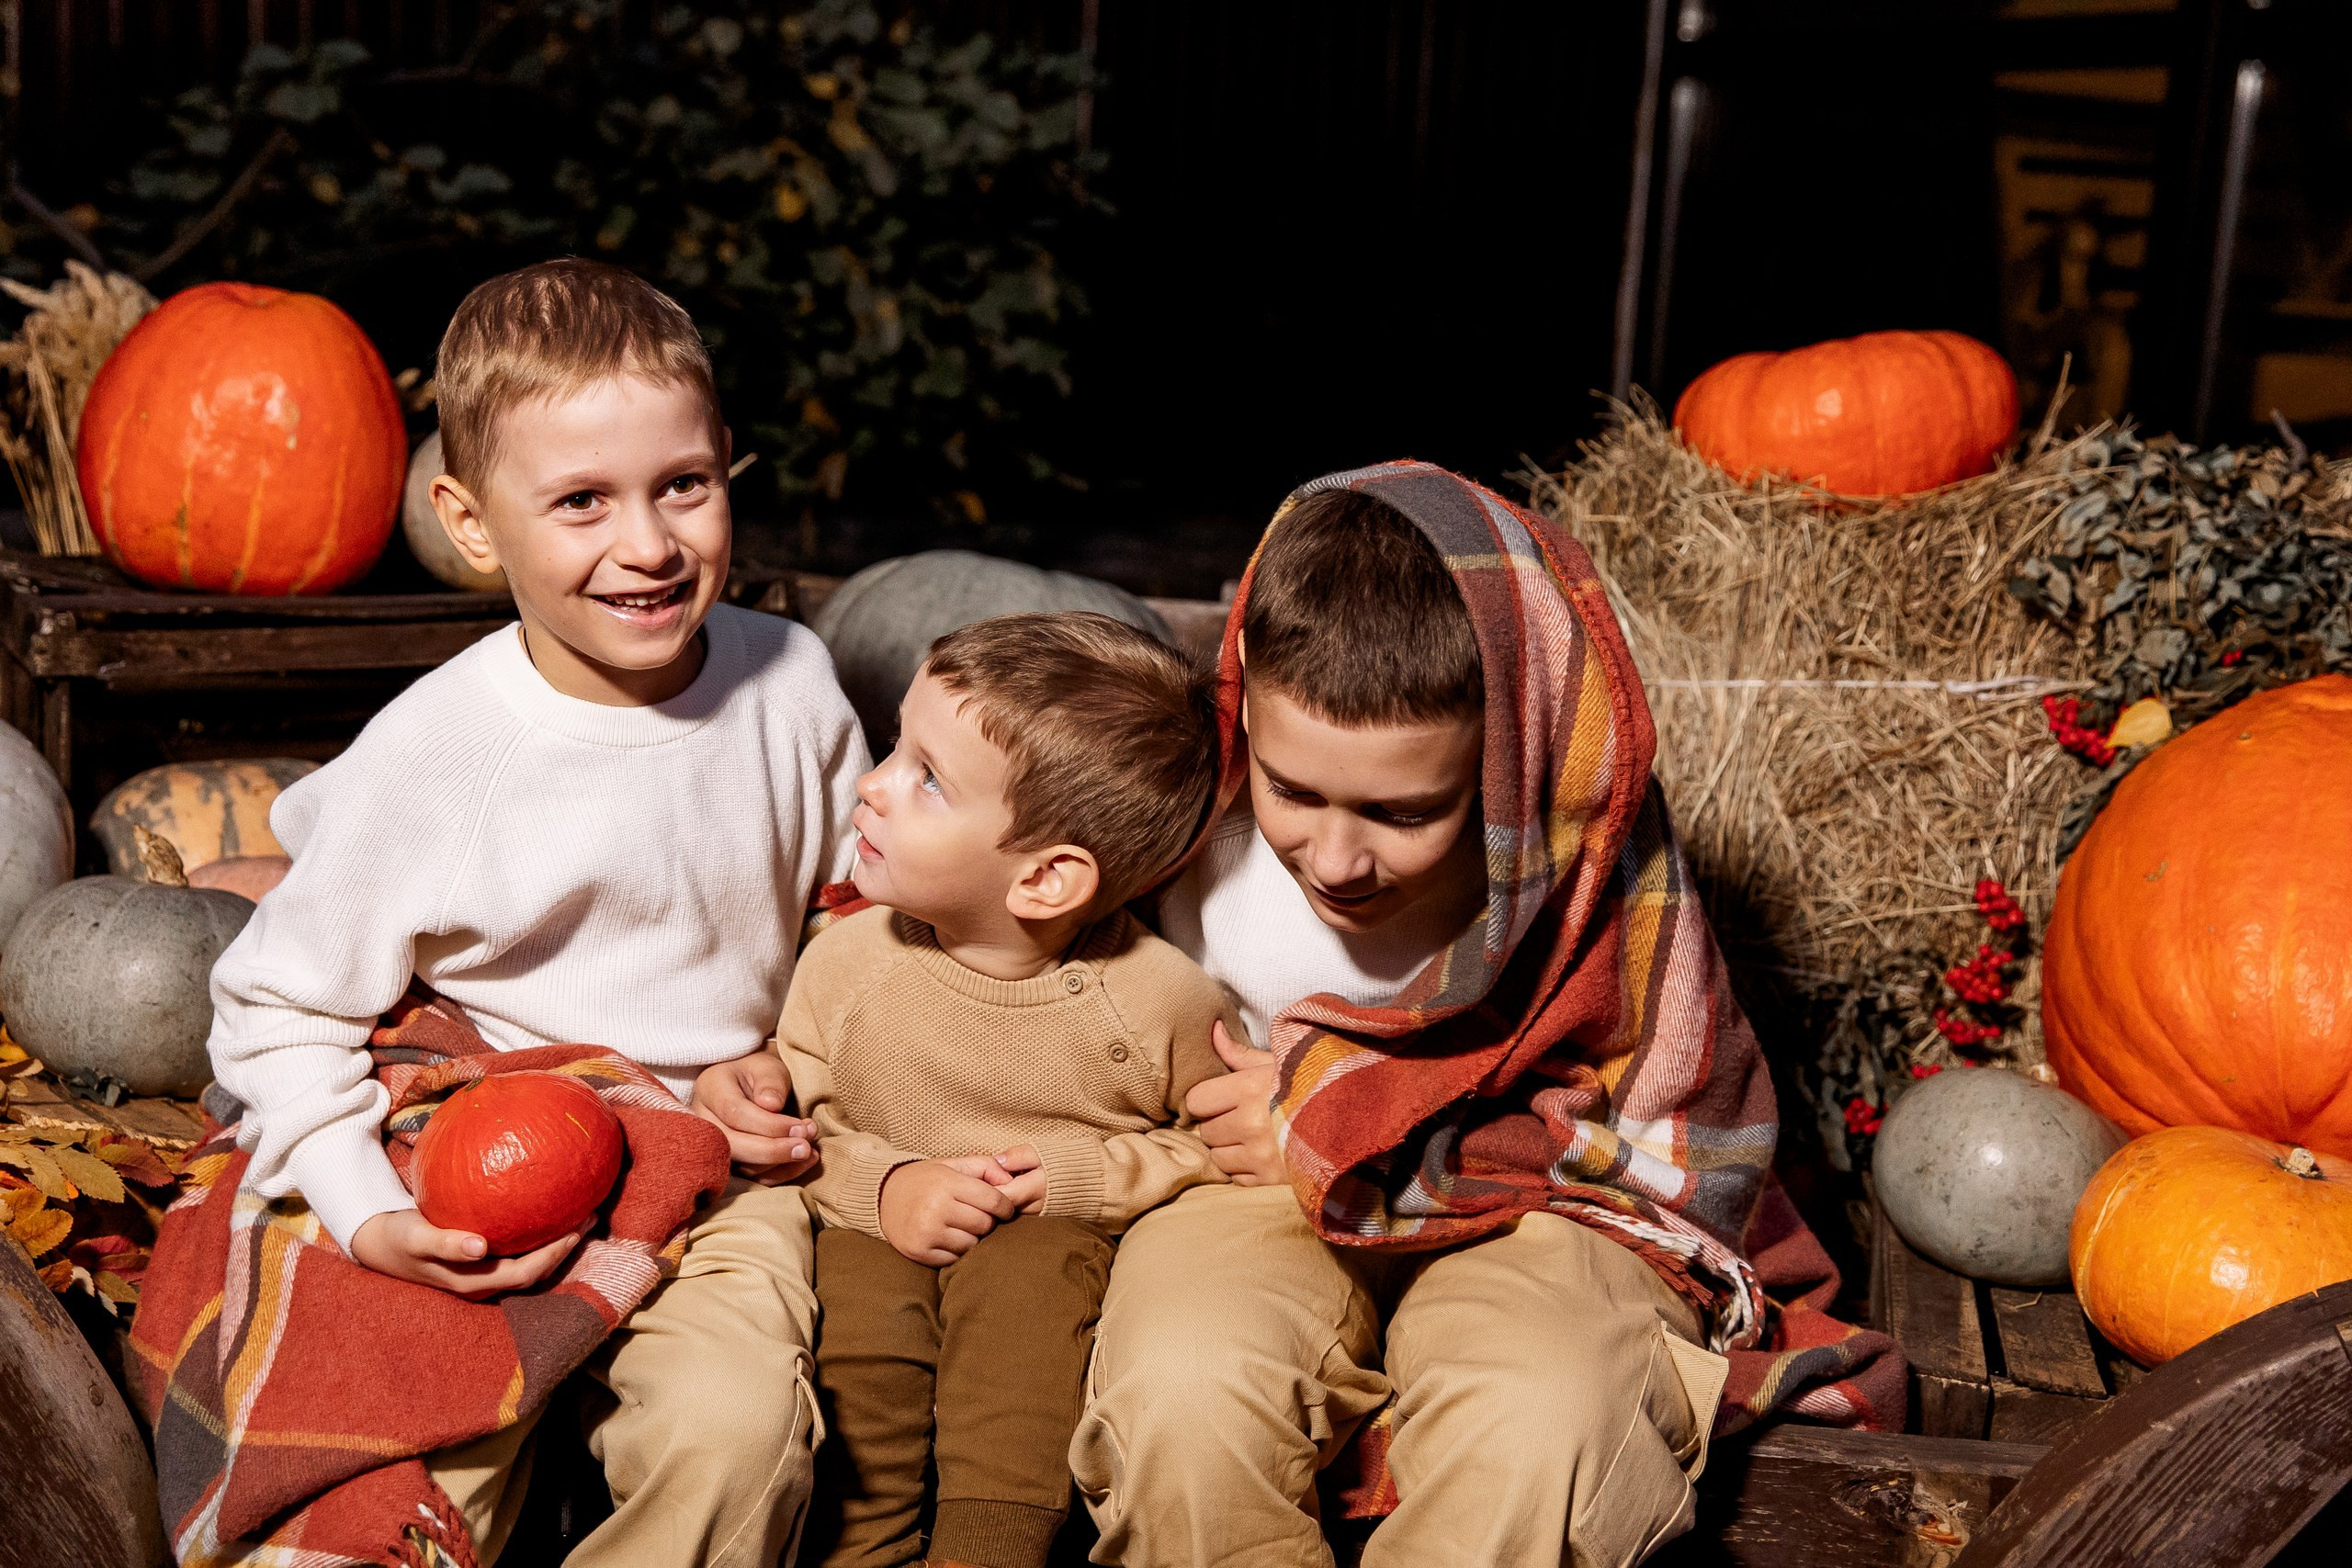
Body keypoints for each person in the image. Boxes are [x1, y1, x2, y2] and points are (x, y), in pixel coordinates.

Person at [1072, 464, 1902, 1567]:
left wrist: (1336, 1125)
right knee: (1184, 1389)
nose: (1335, 858)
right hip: (1242, 1190)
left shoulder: (1589, 881)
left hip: (1537, 1212)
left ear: (1516, 758)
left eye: (1403, 812)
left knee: (1544, 1419)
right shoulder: (1186, 827)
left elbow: (1664, 1147)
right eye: (1294, 791)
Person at [202, 257, 866, 1568]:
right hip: (480, 1147)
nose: (650, 544)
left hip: (710, 1161)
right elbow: (274, 1005)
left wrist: (788, 1059)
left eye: (685, 483)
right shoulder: (440, 752)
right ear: (471, 522)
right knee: (387, 1475)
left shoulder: (790, 680)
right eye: (581, 502)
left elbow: (854, 911)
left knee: (735, 1433)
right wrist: (366, 1208)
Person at [736, 612, 1238, 1568]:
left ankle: (988, 1548)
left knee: (1029, 1312)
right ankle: (860, 1549)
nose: (873, 784)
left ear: (1045, 880)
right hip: (874, 1230)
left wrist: (1081, 1178)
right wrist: (885, 1186)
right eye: (895, 746)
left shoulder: (1158, 998)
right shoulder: (845, 966)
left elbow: (1213, 1142)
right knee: (857, 1327)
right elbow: (797, 1130)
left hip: (1044, 1248)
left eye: (926, 778)